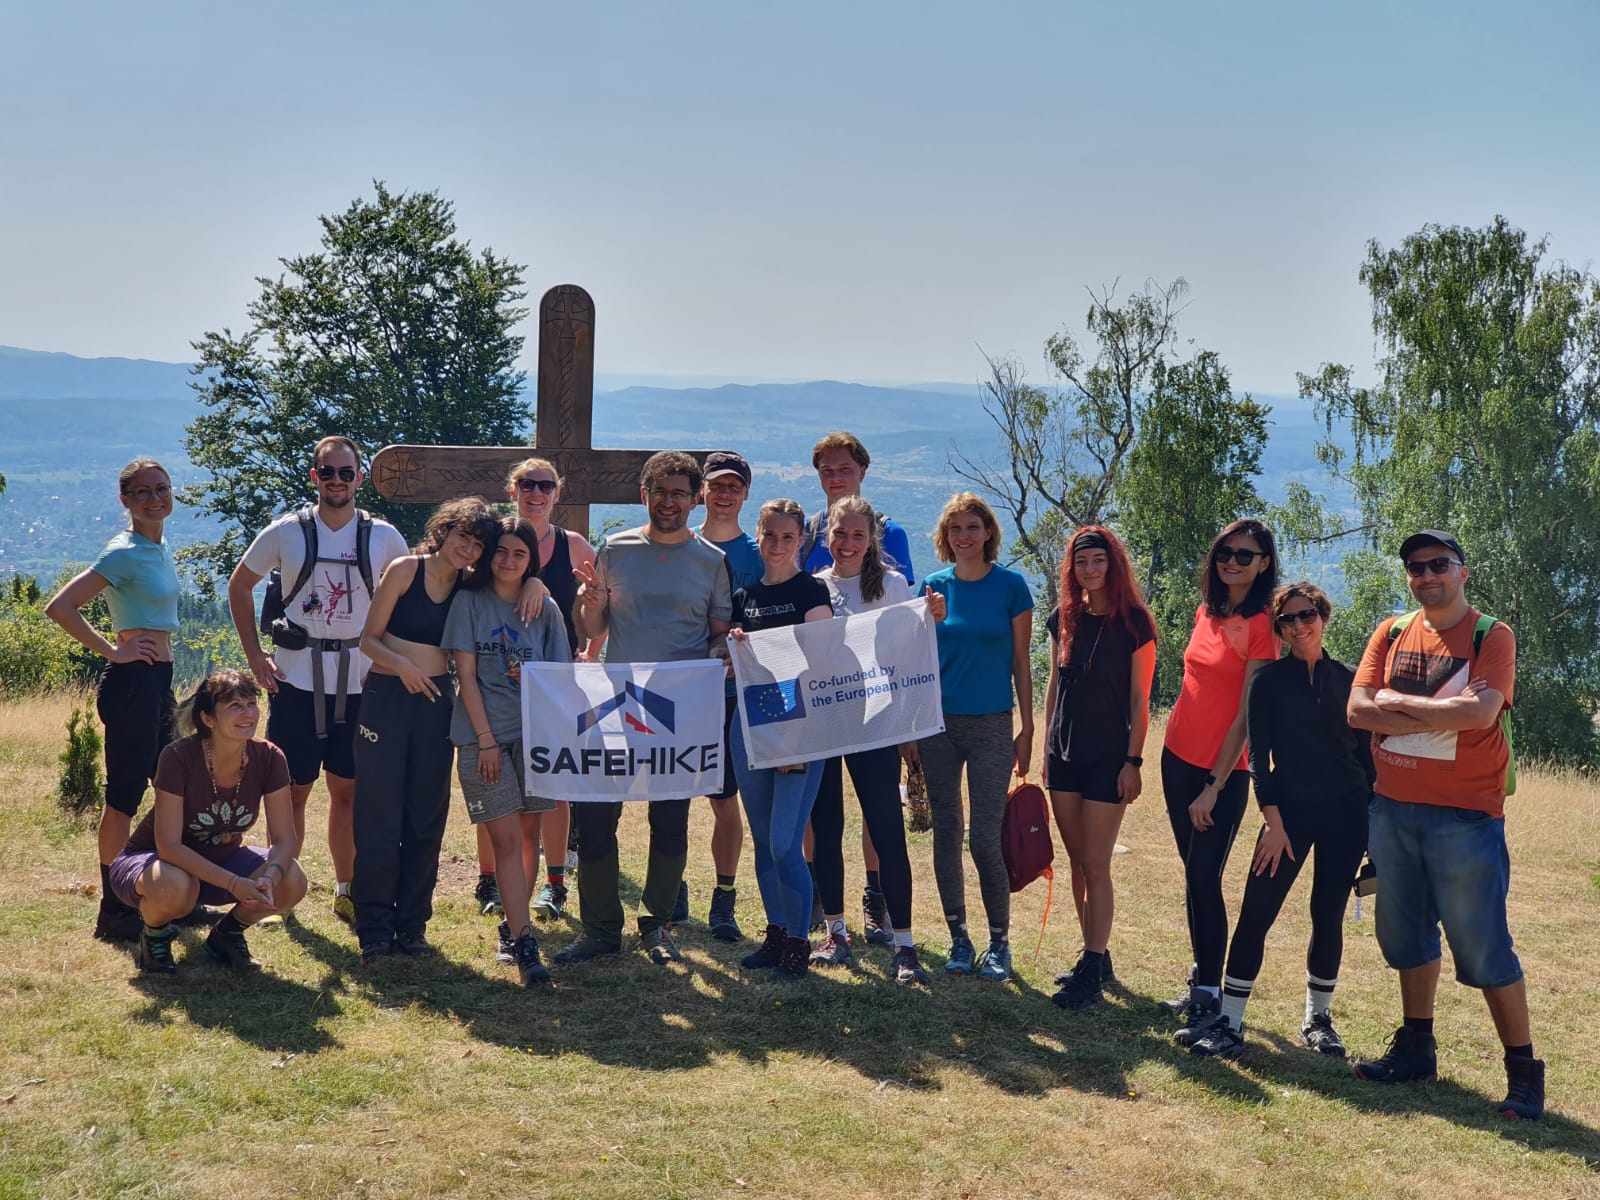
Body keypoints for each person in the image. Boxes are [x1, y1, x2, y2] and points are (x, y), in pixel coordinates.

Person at [1346, 531, 1542, 1121]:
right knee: (1404, 938)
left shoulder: (1492, 636)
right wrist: (1441, 713)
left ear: (1462, 572)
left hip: (1465, 817)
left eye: (1439, 564)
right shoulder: (1390, 630)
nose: (1426, 574)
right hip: (1392, 809)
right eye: (1415, 567)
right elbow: (1357, 710)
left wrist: (1400, 706)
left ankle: (1524, 1073)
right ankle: (1416, 1048)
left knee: (1482, 947)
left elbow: (1482, 712)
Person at [228, 437, 409, 927]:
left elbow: (408, 597)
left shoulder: (384, 538)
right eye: (327, 473)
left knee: (348, 789)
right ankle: (282, 884)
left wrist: (390, 658)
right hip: (296, 678)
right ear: (314, 477)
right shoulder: (287, 531)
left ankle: (346, 889)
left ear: (359, 478)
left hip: (359, 680)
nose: (336, 481)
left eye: (346, 473)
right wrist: (254, 657)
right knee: (293, 790)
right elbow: (239, 584)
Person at [1187, 582, 1373, 1057]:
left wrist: (1375, 829)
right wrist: (1272, 822)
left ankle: (1318, 1020)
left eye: (1306, 615)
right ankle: (1229, 1024)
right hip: (1286, 815)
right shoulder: (1267, 681)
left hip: (1347, 815)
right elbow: (1259, 758)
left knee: (1327, 915)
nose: (1298, 626)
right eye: (1287, 620)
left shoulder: (1351, 680)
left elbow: (1367, 761)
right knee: (1256, 915)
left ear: (1324, 616)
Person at [563, 451, 733, 965]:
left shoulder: (711, 561)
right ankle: (599, 929)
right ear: (644, 495)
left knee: (670, 820)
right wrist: (589, 604)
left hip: (679, 711)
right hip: (617, 701)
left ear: (694, 498)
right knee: (594, 817)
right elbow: (593, 629)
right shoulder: (615, 549)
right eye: (659, 491)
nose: (668, 501)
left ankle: (656, 925)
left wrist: (722, 654)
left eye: (680, 492)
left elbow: (718, 637)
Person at [352, 497, 498, 963]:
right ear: (444, 530)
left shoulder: (470, 587)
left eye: (478, 545)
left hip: (436, 704)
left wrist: (534, 584)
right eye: (463, 538)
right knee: (379, 814)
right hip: (386, 699)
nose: (468, 550)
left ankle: (412, 925)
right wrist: (403, 667)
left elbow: (520, 576)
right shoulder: (403, 570)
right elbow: (368, 639)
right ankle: (374, 928)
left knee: (425, 815)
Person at [810, 495, 946, 984]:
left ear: (871, 541)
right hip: (824, 722)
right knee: (826, 828)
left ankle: (905, 945)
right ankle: (836, 934)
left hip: (876, 721)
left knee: (886, 830)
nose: (847, 543)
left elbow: (908, 651)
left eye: (857, 535)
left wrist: (932, 611)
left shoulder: (891, 584)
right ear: (826, 536)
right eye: (839, 534)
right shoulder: (814, 586)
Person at [47, 457, 181, 942]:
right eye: (142, 492)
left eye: (161, 489)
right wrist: (113, 650)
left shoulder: (159, 547)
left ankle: (169, 894)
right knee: (123, 799)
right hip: (132, 685)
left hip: (158, 682)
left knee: (174, 788)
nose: (154, 499)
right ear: (125, 500)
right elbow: (59, 606)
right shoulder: (123, 551)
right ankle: (114, 912)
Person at [468, 456, 603, 923]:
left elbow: (598, 599)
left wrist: (592, 650)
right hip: (495, 681)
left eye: (546, 484)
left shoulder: (575, 544)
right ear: (513, 489)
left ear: (558, 493)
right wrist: (532, 580)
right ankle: (490, 878)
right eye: (527, 483)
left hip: (553, 680)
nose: (536, 492)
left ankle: (555, 881)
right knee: (496, 784)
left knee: (554, 785)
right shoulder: (495, 539)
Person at [1160, 519, 1279, 1045]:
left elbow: (1249, 716)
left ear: (1264, 563)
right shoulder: (1208, 610)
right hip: (1175, 757)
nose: (1232, 561)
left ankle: (1212, 991)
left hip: (1223, 773)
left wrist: (1215, 784)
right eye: (1226, 552)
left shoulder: (1264, 624)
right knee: (1193, 875)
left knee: (1206, 876)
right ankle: (1201, 980)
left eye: (1245, 555)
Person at [108, 670, 308, 974]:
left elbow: (285, 840)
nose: (248, 713)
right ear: (208, 719)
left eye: (251, 703)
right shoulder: (178, 757)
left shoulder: (269, 757)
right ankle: (155, 934)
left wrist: (270, 876)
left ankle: (227, 935)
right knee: (176, 886)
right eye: (234, 707)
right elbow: (169, 846)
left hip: (221, 861)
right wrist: (234, 884)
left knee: (292, 878)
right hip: (154, 863)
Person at [798, 430, 916, 942]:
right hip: (823, 708)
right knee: (822, 818)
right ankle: (827, 915)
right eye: (827, 470)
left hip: (876, 708)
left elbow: (904, 625)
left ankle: (878, 901)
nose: (836, 477)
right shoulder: (805, 536)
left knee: (880, 814)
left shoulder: (893, 541)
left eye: (844, 468)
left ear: (863, 472)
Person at [443, 517, 570, 986]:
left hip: (535, 737)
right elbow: (466, 676)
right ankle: (524, 940)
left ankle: (515, 927)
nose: (509, 561)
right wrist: (487, 741)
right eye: (502, 551)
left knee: (530, 831)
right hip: (484, 738)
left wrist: (532, 680)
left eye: (521, 555)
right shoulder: (469, 602)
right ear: (488, 554)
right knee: (506, 841)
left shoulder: (545, 608)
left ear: (531, 561)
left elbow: (562, 679)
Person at [917, 493, 1034, 981]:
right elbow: (917, 660)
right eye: (955, 529)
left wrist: (1028, 727)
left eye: (972, 527)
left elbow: (1021, 663)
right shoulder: (933, 588)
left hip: (991, 724)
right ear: (945, 537)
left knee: (985, 840)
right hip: (938, 725)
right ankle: (959, 939)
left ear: (988, 533)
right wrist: (930, 620)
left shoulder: (1011, 586)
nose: (963, 536)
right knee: (947, 833)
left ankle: (999, 942)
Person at [1044, 526, 1156, 1010]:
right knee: (1076, 862)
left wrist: (1133, 761)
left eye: (1098, 561)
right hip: (1062, 757)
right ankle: (1096, 955)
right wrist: (1043, 745)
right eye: (1081, 562)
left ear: (1113, 565)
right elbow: (1053, 685)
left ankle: (1091, 968)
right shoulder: (1063, 618)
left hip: (1110, 759)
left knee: (1096, 864)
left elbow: (1140, 698)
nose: (1089, 570)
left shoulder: (1135, 623)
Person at [725, 499, 833, 979]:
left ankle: (798, 941)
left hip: (799, 726)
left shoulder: (812, 590)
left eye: (787, 537)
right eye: (769, 535)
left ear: (800, 542)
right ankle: (774, 933)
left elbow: (821, 658)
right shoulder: (744, 595)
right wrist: (731, 646)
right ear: (759, 534)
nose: (777, 545)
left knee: (787, 841)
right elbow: (730, 656)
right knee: (767, 841)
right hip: (749, 725)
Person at [687, 450, 765, 941]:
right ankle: (669, 890)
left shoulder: (758, 555)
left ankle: (724, 897)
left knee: (725, 800)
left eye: (733, 486)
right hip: (681, 688)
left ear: (745, 494)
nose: (724, 493)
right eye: (716, 485)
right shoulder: (680, 544)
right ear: (702, 492)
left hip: (737, 694)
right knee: (669, 795)